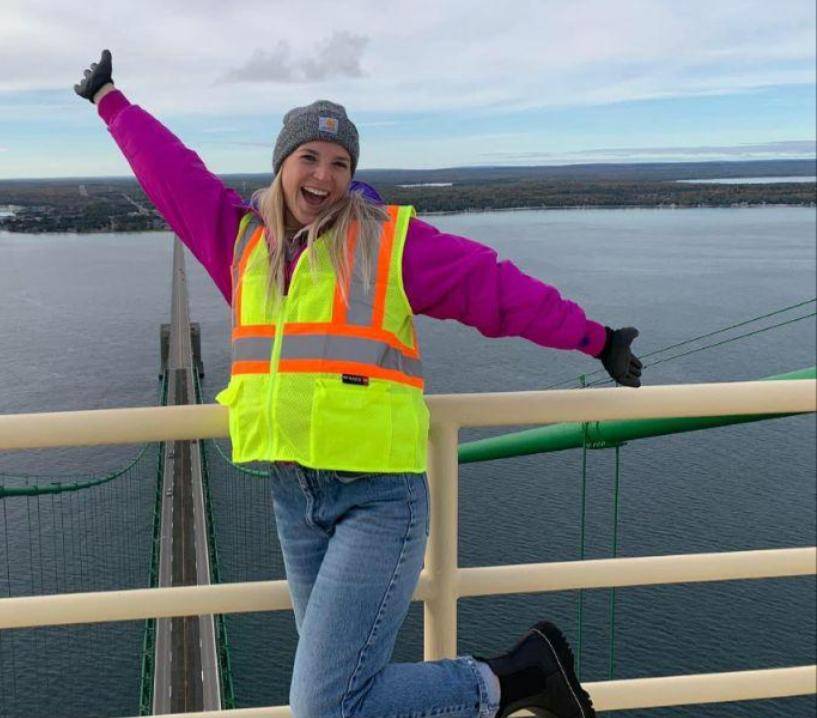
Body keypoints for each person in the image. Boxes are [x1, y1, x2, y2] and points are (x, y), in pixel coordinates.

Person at [76, 49, 642, 718]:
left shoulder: (387, 243)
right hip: (294, 495)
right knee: (345, 695)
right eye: (309, 157)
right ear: (281, 164)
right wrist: (111, 101)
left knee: (323, 706)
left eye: (339, 163)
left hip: (378, 500)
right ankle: (519, 674)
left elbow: (496, 290)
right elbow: (174, 176)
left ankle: (509, 678)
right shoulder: (242, 245)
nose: (323, 175)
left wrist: (595, 339)